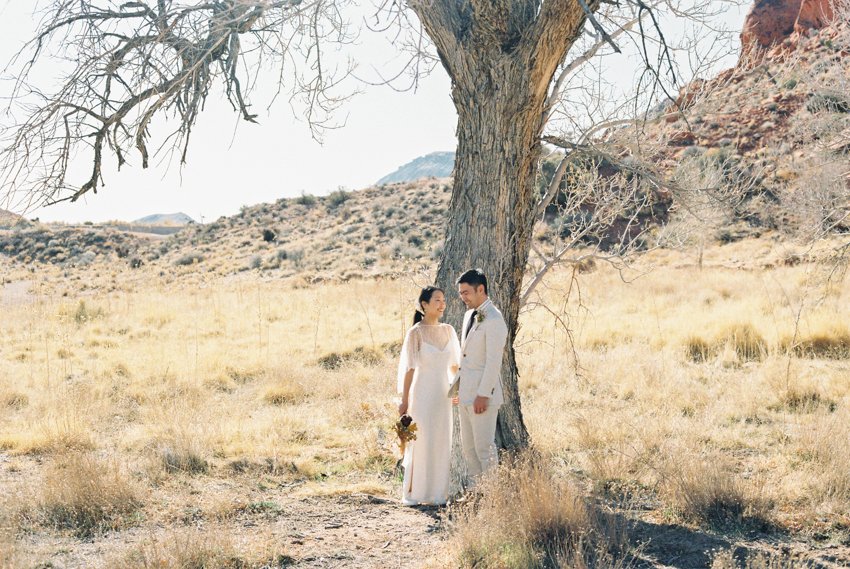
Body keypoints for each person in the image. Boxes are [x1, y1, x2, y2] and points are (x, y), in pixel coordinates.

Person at [397, 286, 461, 506]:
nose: (442, 304)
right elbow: (409, 369)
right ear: (424, 304)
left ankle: (437, 494)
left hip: (443, 394)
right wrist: (404, 400)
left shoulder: (449, 331)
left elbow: (455, 367)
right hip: (422, 393)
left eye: (443, 300)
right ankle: (417, 492)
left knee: (441, 439)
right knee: (422, 440)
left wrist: (457, 390)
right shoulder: (415, 332)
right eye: (437, 300)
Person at [450, 269, 508, 488]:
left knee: (484, 447)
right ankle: (478, 492)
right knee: (469, 449)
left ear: (480, 289)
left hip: (483, 396)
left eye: (466, 292)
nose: (462, 297)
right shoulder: (469, 316)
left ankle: (494, 495)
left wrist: (483, 395)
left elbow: (494, 362)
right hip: (465, 394)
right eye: (461, 293)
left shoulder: (494, 319)